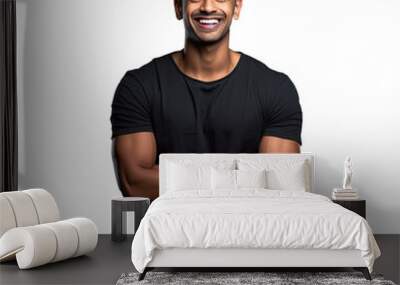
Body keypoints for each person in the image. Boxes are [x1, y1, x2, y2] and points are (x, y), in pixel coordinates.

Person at [110, 0, 303, 200]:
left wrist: (179, 178)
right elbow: (135, 184)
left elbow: (278, 189)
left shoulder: (275, 89)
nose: (208, 7)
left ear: (236, 7)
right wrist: (238, 178)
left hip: (247, 229)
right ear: (178, 7)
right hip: (168, 229)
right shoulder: (139, 86)